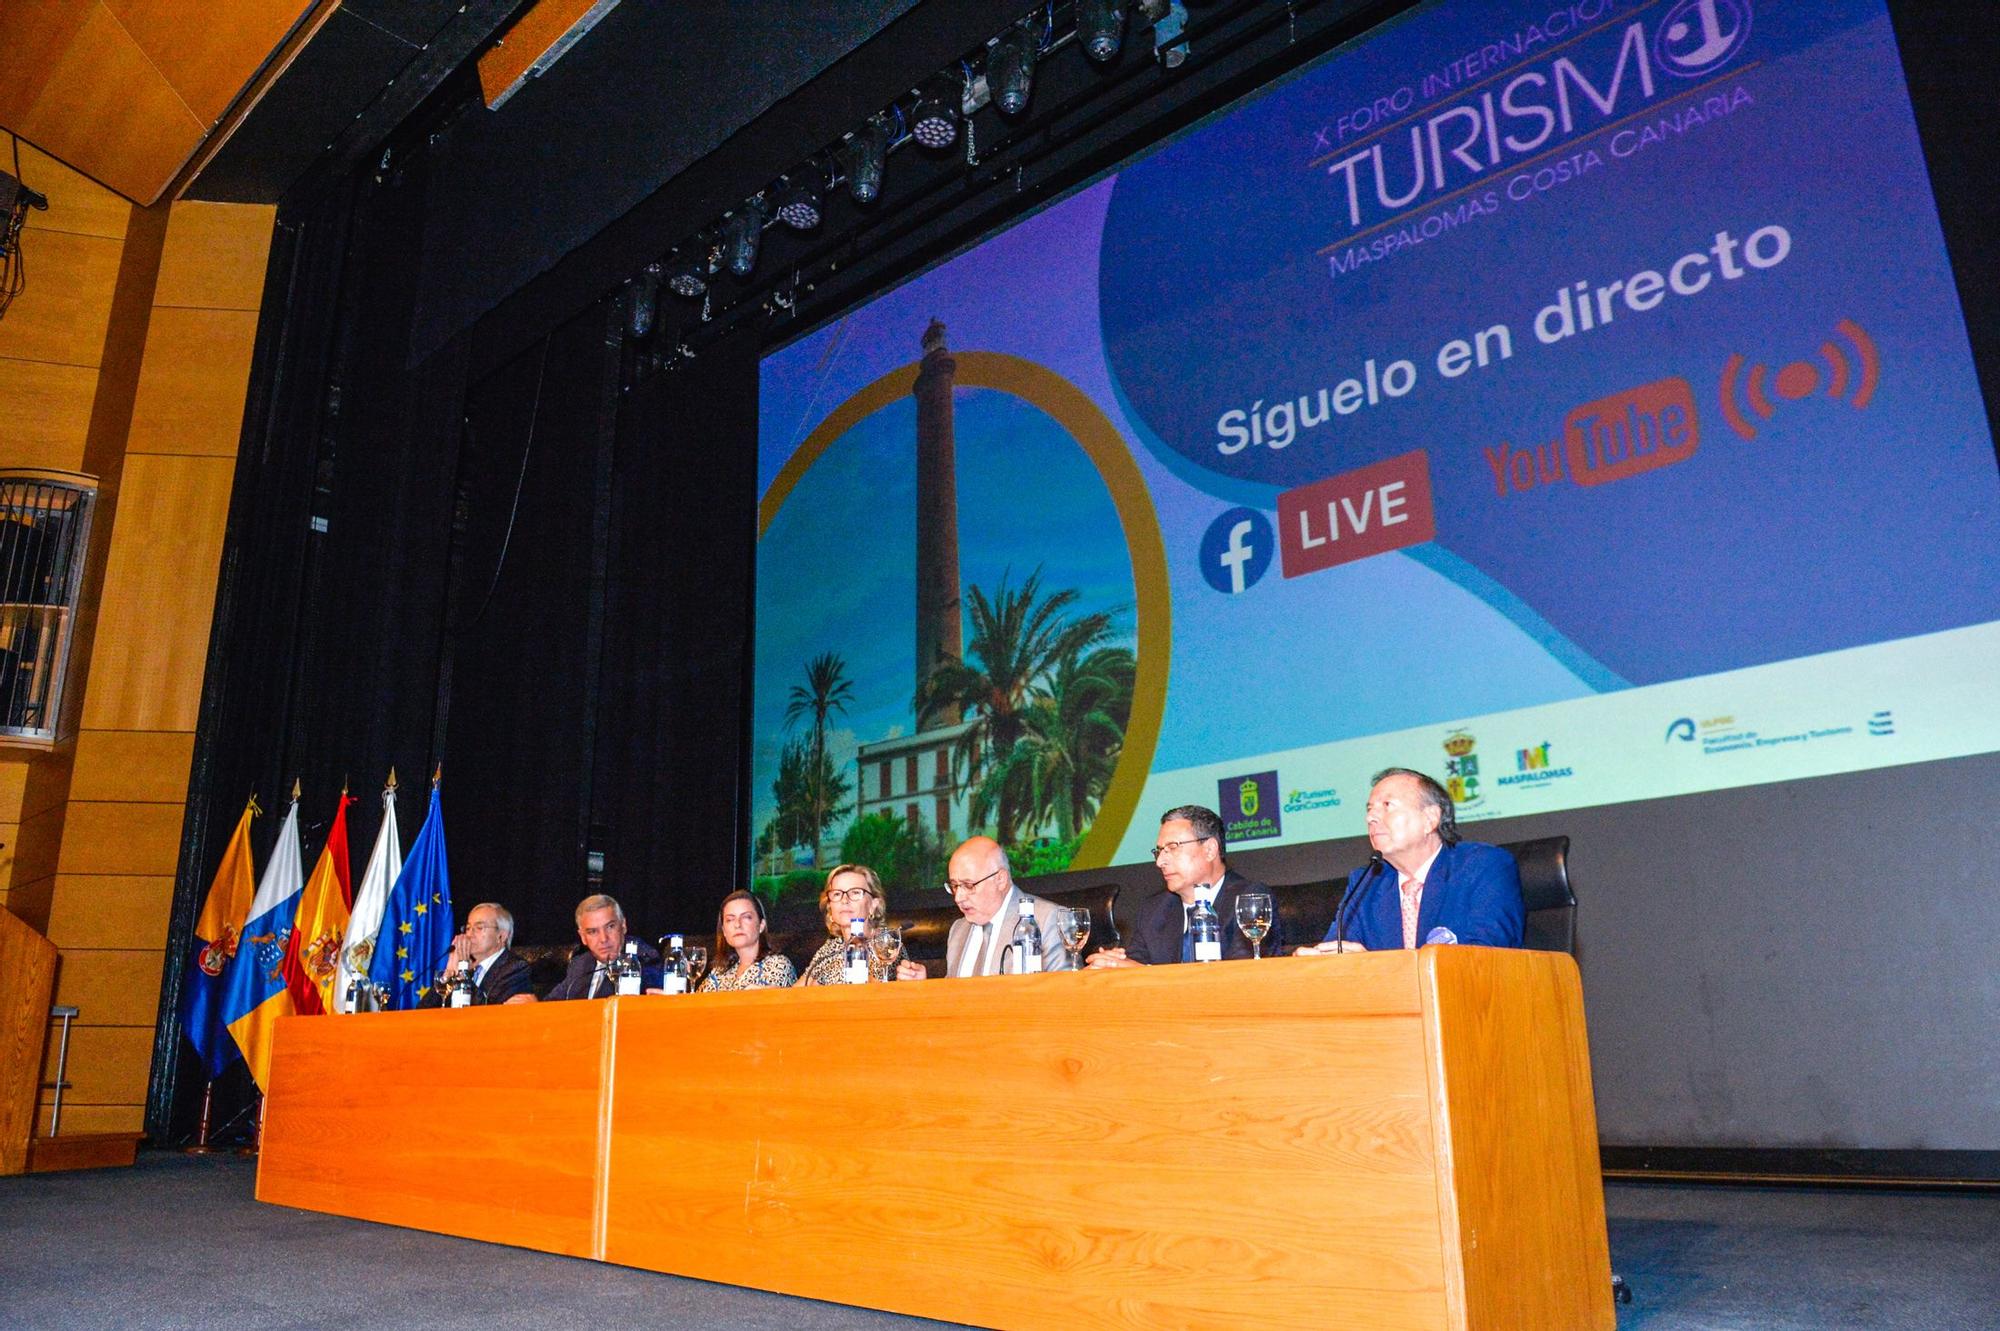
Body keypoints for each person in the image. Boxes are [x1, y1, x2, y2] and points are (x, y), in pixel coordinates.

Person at [1296, 767, 1524, 954]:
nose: (1371, 817)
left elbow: (1486, 955)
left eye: (1387, 806)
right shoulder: (1366, 883)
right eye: (1369, 810)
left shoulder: (1484, 866)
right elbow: (1337, 952)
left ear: (1430, 818)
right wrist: (1319, 961)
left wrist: (1376, 968)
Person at [1088, 805, 1282, 967]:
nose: (1160, 861)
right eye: (1159, 851)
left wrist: (1141, 972)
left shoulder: (1249, 899)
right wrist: (1110, 965)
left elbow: (1243, 974)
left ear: (1209, 849)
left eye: (1172, 848)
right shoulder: (1155, 909)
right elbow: (1132, 965)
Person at [902, 835, 1071, 979]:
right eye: (954, 886)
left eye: (968, 885)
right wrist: (923, 988)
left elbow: (1065, 994)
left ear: (1000, 879)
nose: (958, 897)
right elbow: (954, 1002)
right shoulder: (958, 930)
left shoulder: (1048, 919)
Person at [796, 864, 925, 985]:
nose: (844, 900)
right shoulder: (831, 948)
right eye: (837, 894)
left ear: (873, 905)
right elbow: (795, 994)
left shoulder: (886, 944)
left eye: (855, 892)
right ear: (830, 907)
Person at [542, 894, 663, 999]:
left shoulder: (644, 960)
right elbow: (551, 1004)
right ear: (583, 937)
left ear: (623, 926)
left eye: (610, 927)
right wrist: (534, 1006)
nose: (604, 939)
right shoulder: (580, 965)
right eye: (593, 932)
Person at [419, 901, 534, 1006]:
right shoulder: (465, 968)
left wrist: (463, 972)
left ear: (501, 936)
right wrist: (449, 972)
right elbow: (423, 1011)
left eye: (479, 928)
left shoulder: (515, 968)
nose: (469, 934)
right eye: (468, 928)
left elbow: (489, 1011)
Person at [697, 889, 797, 991]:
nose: (737, 925)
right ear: (724, 931)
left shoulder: (778, 965)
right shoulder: (718, 973)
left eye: (746, 917)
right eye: (730, 919)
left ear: (761, 925)